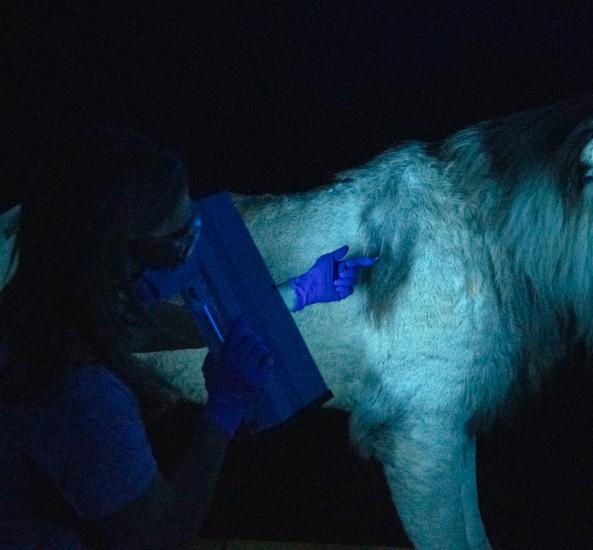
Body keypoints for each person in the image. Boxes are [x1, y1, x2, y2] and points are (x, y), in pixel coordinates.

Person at [0, 130, 373, 548]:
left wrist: (302, 291)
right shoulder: (80, 394)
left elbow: (167, 326)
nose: (194, 248)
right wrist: (223, 411)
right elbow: (162, 538)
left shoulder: (43, 316)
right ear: (113, 251)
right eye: (180, 240)